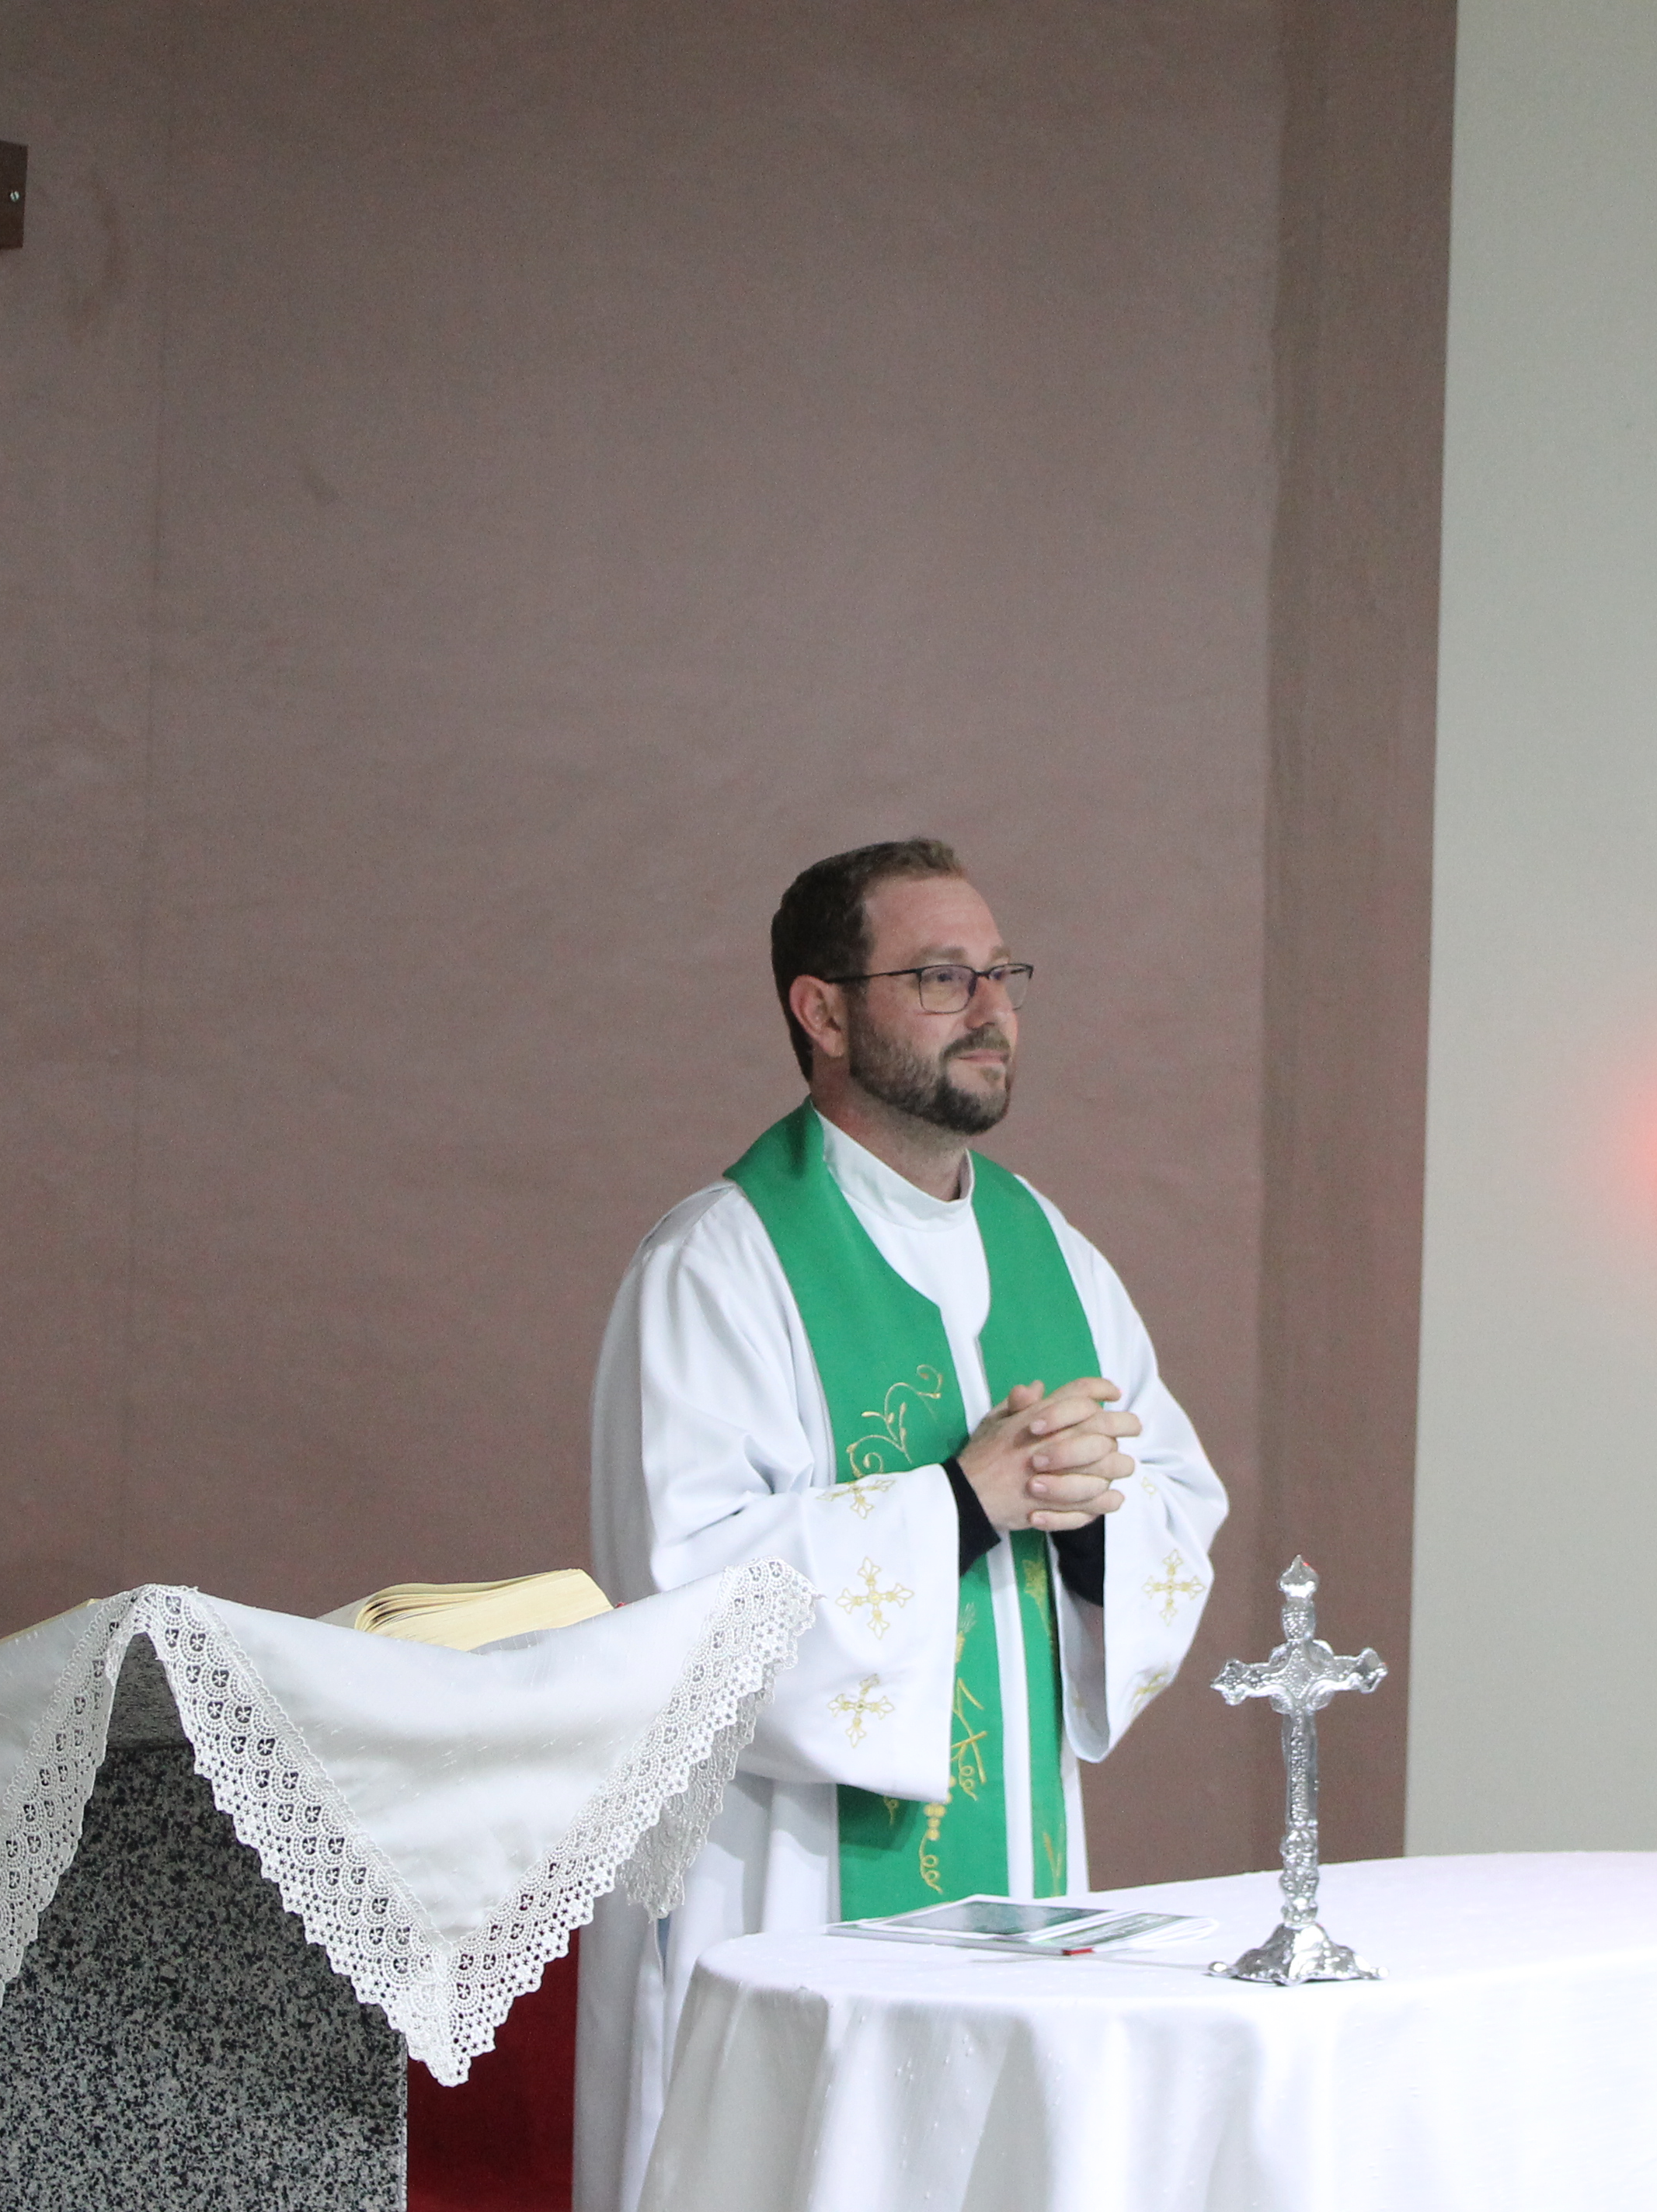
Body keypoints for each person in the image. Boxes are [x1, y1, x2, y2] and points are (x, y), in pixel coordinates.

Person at [576, 840, 1228, 2210]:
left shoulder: (1055, 1255)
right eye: (940, 976)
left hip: (1015, 1869)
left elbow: (1174, 1500)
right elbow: (683, 1593)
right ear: (822, 1011)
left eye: (1001, 973)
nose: (989, 1008)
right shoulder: (720, 1261)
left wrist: (1087, 1517)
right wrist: (960, 1502)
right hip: (782, 1873)